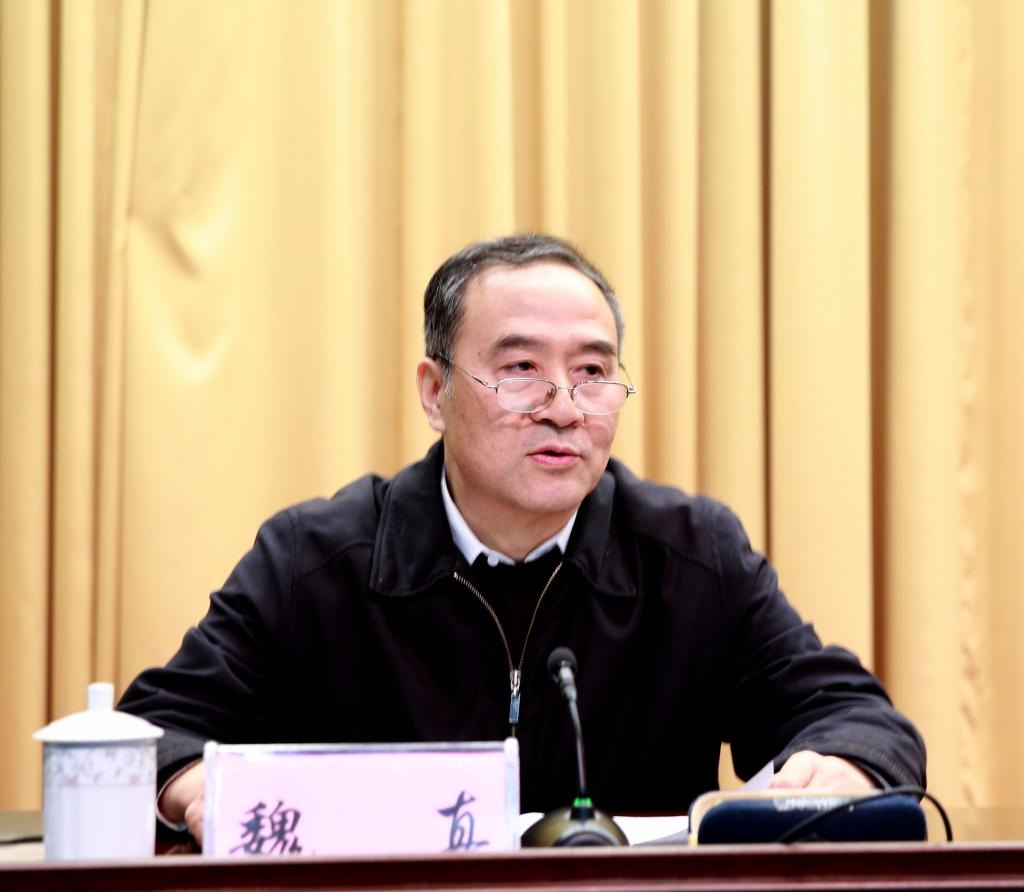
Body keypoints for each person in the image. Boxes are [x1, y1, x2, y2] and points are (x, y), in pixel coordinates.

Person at [118, 233, 926, 846]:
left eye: (593, 372)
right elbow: (155, 733)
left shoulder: (690, 555)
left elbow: (856, 719)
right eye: (520, 370)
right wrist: (194, 789)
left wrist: (842, 765)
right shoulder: (317, 561)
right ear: (435, 391)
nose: (564, 408)